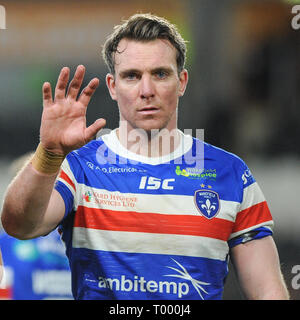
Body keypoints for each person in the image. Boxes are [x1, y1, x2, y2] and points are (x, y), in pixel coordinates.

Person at [1, 13, 289, 300]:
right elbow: (19, 225)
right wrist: (49, 153)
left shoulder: (231, 174)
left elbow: (267, 292)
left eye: (160, 74)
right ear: (113, 87)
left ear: (182, 81)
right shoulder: (80, 168)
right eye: (132, 76)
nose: (147, 91)